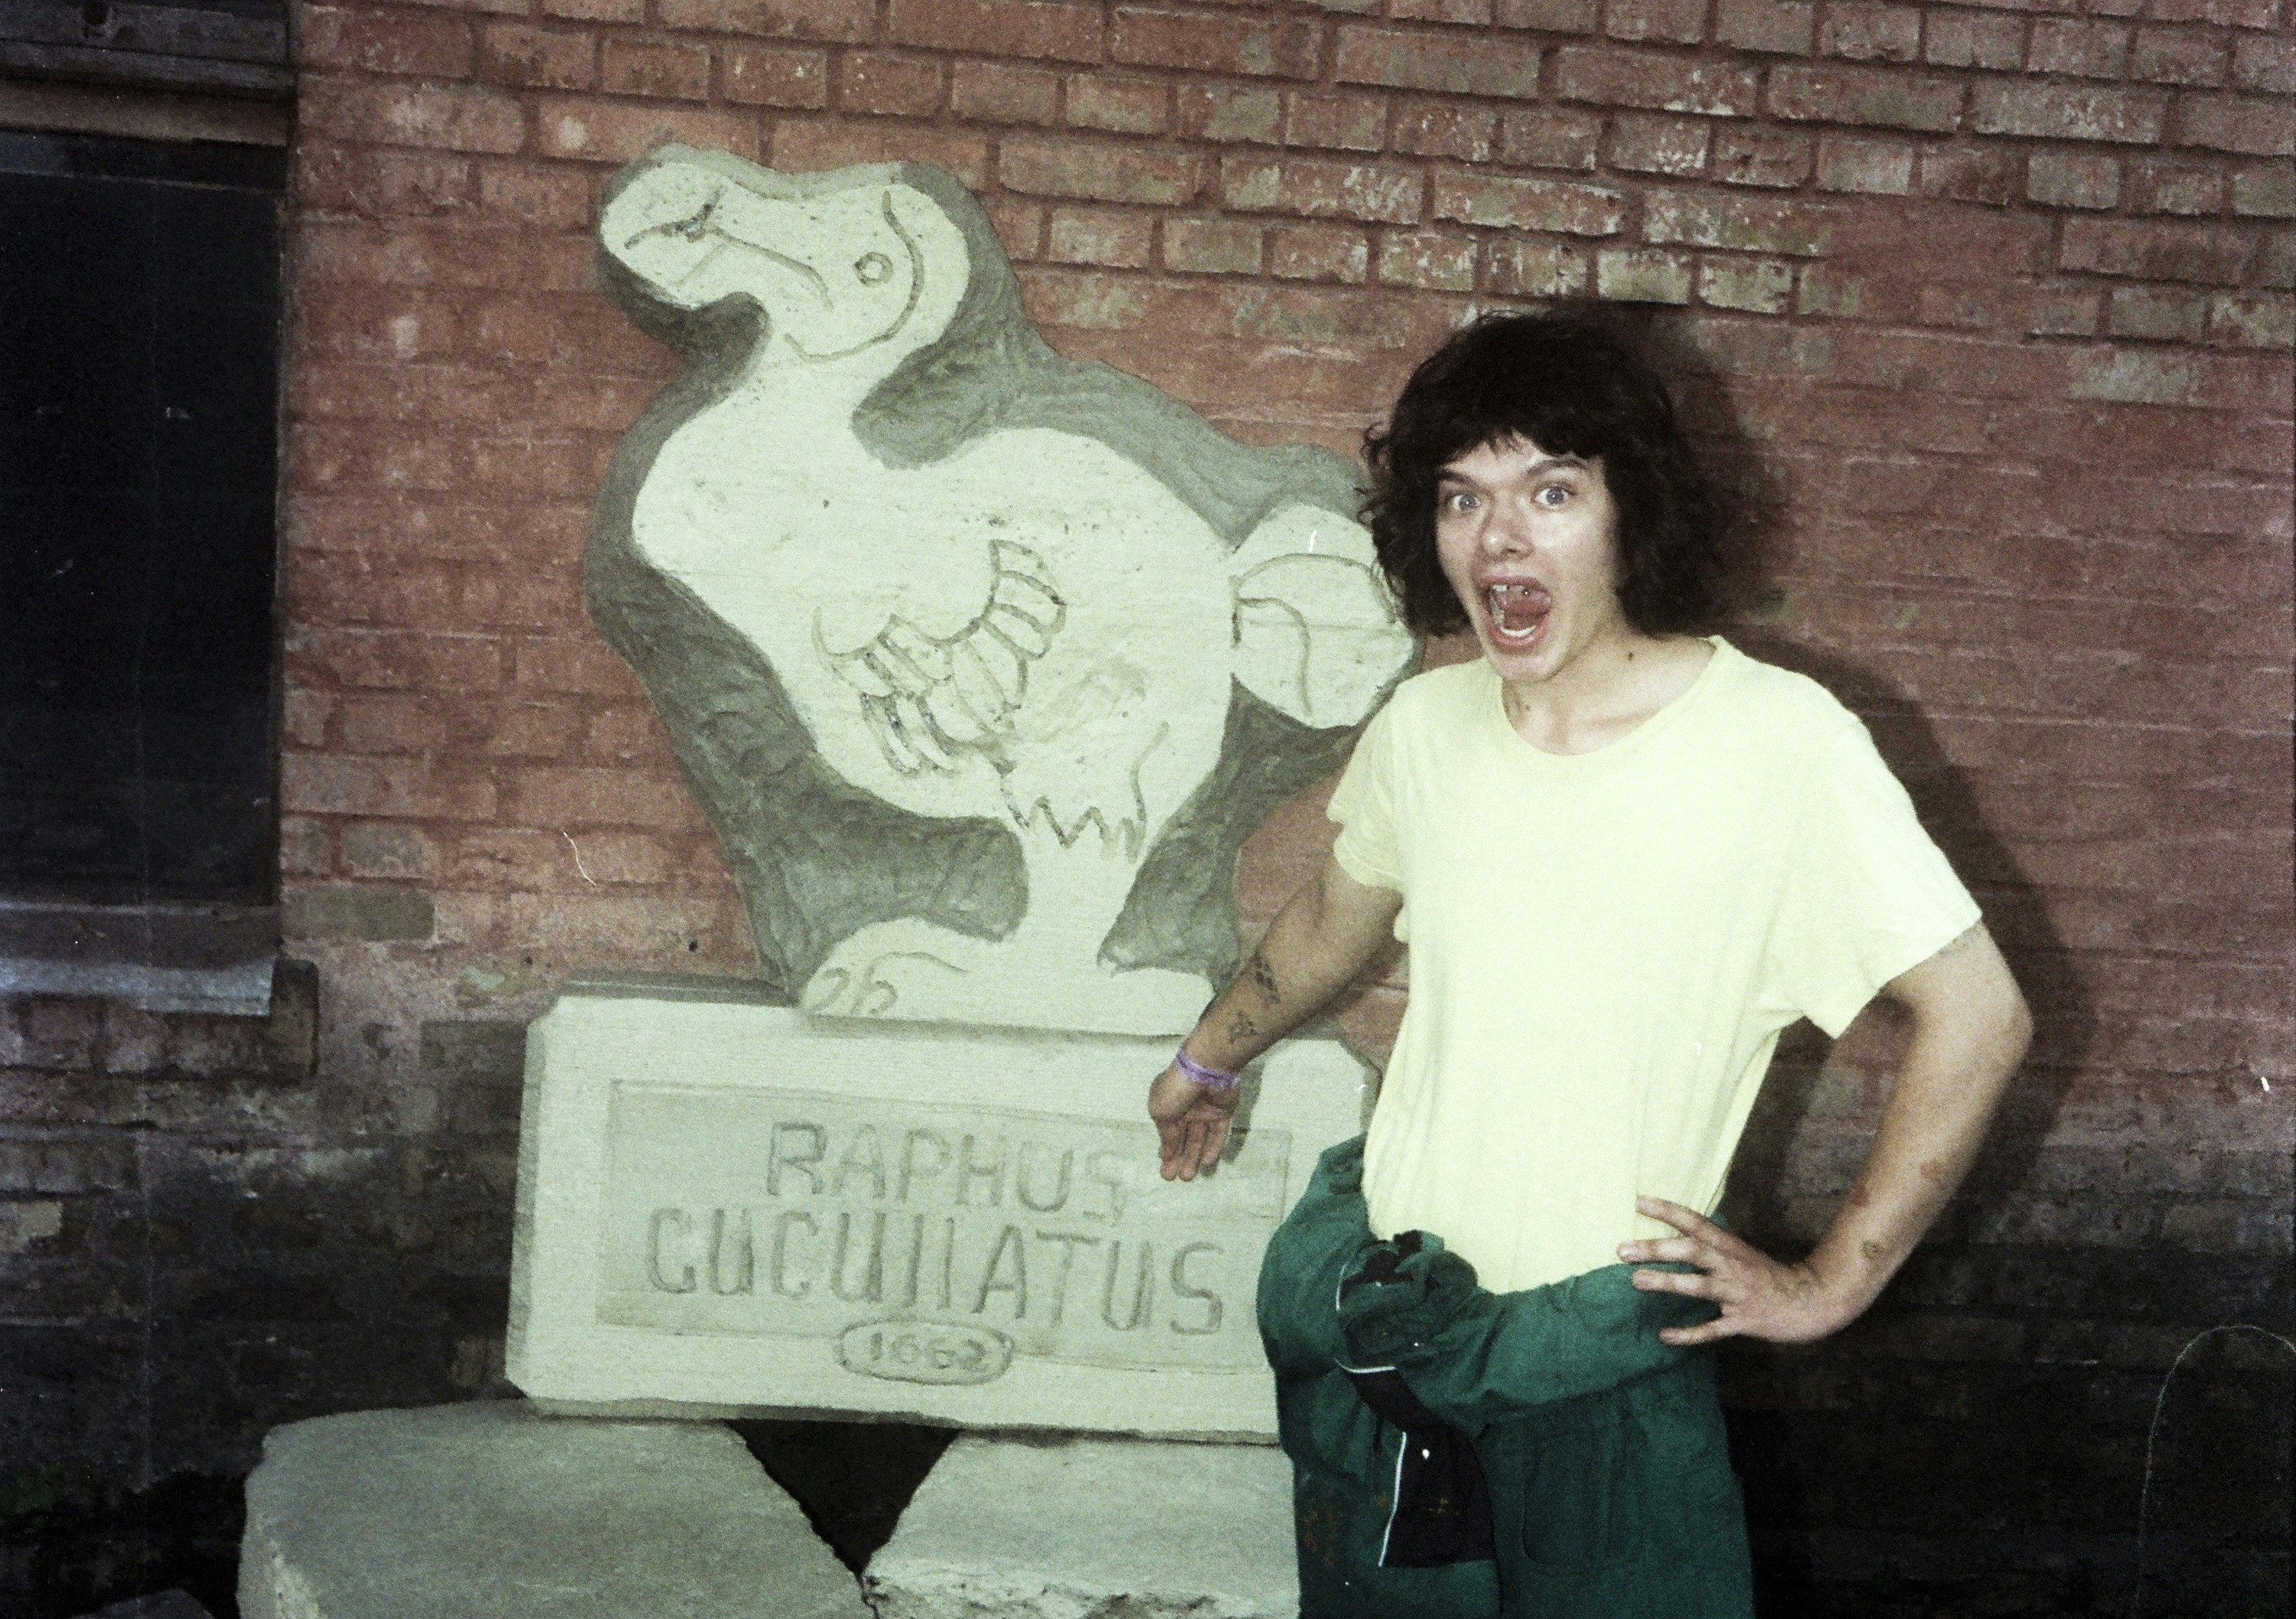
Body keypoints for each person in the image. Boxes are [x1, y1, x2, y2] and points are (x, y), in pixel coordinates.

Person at [1145, 305, 2032, 1616]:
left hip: (1599, 1370)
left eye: (1550, 490)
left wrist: (1831, 1283)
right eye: (1462, 498)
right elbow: (1338, 912)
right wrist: (1205, 1059)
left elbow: (1982, 1012)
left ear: (1631, 512)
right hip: (1392, 1329)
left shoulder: (1783, 745)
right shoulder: (1430, 724)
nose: (1498, 538)